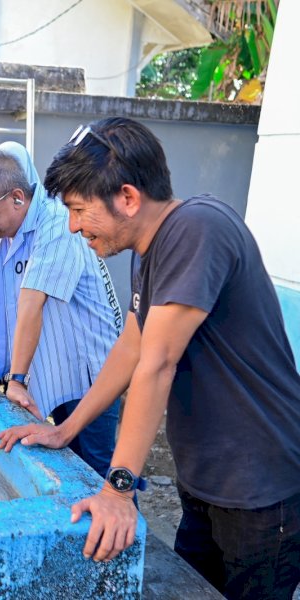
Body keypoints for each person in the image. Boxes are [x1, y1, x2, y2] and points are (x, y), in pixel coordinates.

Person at [24, 116, 300, 598]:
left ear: (128, 198)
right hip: (205, 481)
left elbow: (156, 363)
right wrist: (67, 429)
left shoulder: (197, 228)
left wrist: (118, 489)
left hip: (260, 491)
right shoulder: (146, 247)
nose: (71, 226)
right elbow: (130, 348)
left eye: (79, 209)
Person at [0, 142, 123, 478]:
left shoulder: (58, 223)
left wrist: (17, 380)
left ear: (16, 197)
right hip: (54, 362)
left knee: (96, 468)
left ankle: (124, 529)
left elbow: (32, 301)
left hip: (89, 370)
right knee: (68, 463)